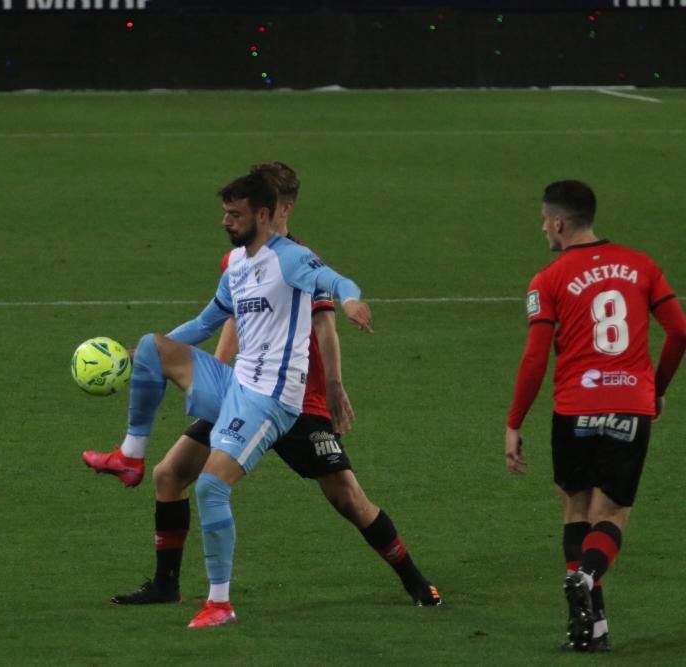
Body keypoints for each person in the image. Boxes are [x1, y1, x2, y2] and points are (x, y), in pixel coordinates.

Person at [85, 161, 441, 609]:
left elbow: (326, 316)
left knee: (348, 498)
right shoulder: (237, 261)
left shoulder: (294, 259)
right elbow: (218, 321)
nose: (226, 222)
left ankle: (415, 581)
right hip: (242, 390)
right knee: (169, 474)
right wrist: (157, 357)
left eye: (236, 214)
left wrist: (335, 377)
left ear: (269, 212)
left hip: (296, 401)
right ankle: (165, 584)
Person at [504, 180, 686, 652]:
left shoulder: (547, 279)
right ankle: (592, 608)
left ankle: (585, 625)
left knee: (576, 512)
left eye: (545, 219)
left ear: (559, 223)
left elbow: (534, 358)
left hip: (573, 409)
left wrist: (514, 421)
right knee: (613, 514)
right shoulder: (643, 265)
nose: (543, 226)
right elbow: (680, 332)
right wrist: (656, 391)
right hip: (630, 407)